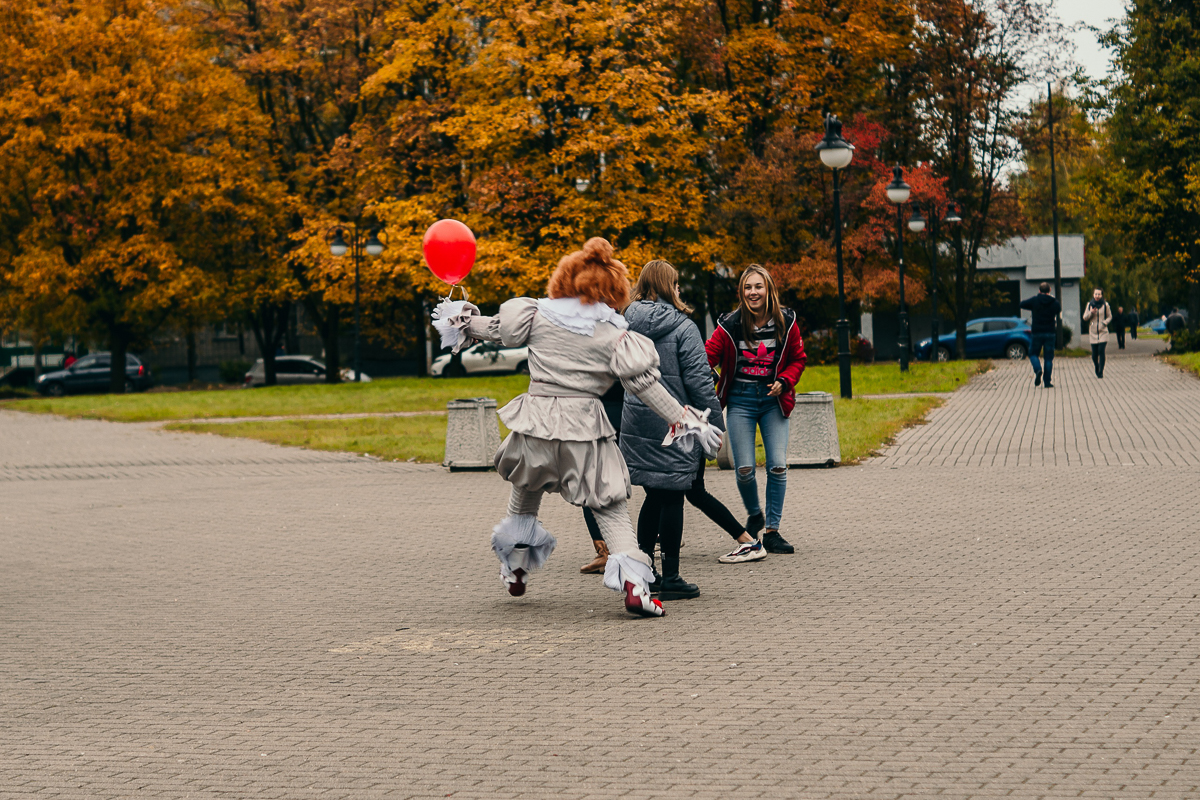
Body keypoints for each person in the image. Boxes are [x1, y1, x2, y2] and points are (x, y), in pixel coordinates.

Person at [430, 237, 722, 618]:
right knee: (609, 505)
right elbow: (648, 387)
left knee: (525, 495)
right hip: (584, 427)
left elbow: (491, 329)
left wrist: (461, 316)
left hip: (535, 422)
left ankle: (516, 568)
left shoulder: (535, 316)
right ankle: (635, 588)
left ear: (563, 279)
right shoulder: (614, 335)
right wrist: (688, 420)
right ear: (614, 289)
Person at [618, 261, 758, 602]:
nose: (680, 290)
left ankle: (642, 569)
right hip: (676, 422)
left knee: (654, 494)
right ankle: (672, 576)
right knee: (673, 494)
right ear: (669, 286)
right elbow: (698, 379)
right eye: (677, 284)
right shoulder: (683, 326)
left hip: (637, 420)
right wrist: (714, 426)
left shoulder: (624, 322)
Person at [705, 265, 807, 555]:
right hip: (740, 400)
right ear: (741, 292)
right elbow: (705, 355)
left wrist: (785, 381)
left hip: (773, 401)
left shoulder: (786, 321)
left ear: (768, 289)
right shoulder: (730, 324)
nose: (753, 292)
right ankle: (755, 514)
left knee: (777, 465)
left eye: (758, 287)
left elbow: (798, 359)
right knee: (745, 469)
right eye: (748, 287)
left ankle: (772, 531)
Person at [579, 382, 625, 574]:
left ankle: (604, 552)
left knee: (591, 486)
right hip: (629, 414)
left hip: (597, 418)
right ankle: (658, 536)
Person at [1019, 282, 1061, 388]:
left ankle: (1037, 370)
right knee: (1048, 358)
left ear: (1039, 291)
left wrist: (1033, 308)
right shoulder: (1054, 302)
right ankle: (1047, 382)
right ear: (1050, 290)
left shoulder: (1034, 301)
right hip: (1050, 332)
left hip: (1037, 332)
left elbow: (1022, 304)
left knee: (1033, 354)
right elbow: (1058, 310)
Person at [1083, 288, 1112, 378]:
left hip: (1103, 331)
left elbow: (1109, 317)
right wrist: (1091, 313)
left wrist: (1104, 323)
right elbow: (1085, 317)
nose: (1097, 296)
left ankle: (1101, 371)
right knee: (1094, 354)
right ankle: (1097, 365)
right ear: (1093, 295)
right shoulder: (1089, 305)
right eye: (1096, 294)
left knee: (1101, 351)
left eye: (1099, 294)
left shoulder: (1105, 305)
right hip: (1093, 332)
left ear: (1102, 295)